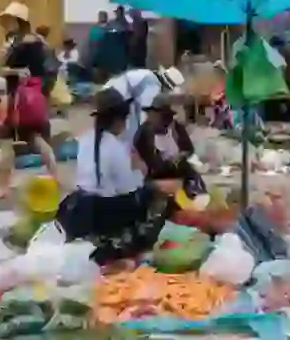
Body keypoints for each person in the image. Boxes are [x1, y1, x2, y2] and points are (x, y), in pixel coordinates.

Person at [57, 88, 168, 263]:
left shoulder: (85, 140)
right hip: (106, 209)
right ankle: (134, 240)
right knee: (156, 194)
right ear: (117, 120)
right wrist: (141, 173)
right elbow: (128, 188)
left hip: (82, 204)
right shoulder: (115, 147)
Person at [0, 2, 58, 179]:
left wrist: (11, 69)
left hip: (16, 99)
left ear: (18, 21)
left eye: (9, 20)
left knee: (5, 140)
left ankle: (2, 186)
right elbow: (49, 71)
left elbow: (4, 69)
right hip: (34, 98)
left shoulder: (19, 44)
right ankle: (55, 177)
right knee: (36, 138)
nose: (6, 24)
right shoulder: (39, 42)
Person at [134, 94, 204, 195]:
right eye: (161, 117)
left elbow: (189, 149)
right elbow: (135, 154)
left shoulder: (177, 128)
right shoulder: (144, 131)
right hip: (154, 176)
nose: (165, 122)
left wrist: (181, 155)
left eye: (167, 118)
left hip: (177, 172)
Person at [103, 65, 187, 143]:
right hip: (114, 96)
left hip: (111, 90)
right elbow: (142, 110)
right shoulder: (154, 85)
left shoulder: (149, 75)